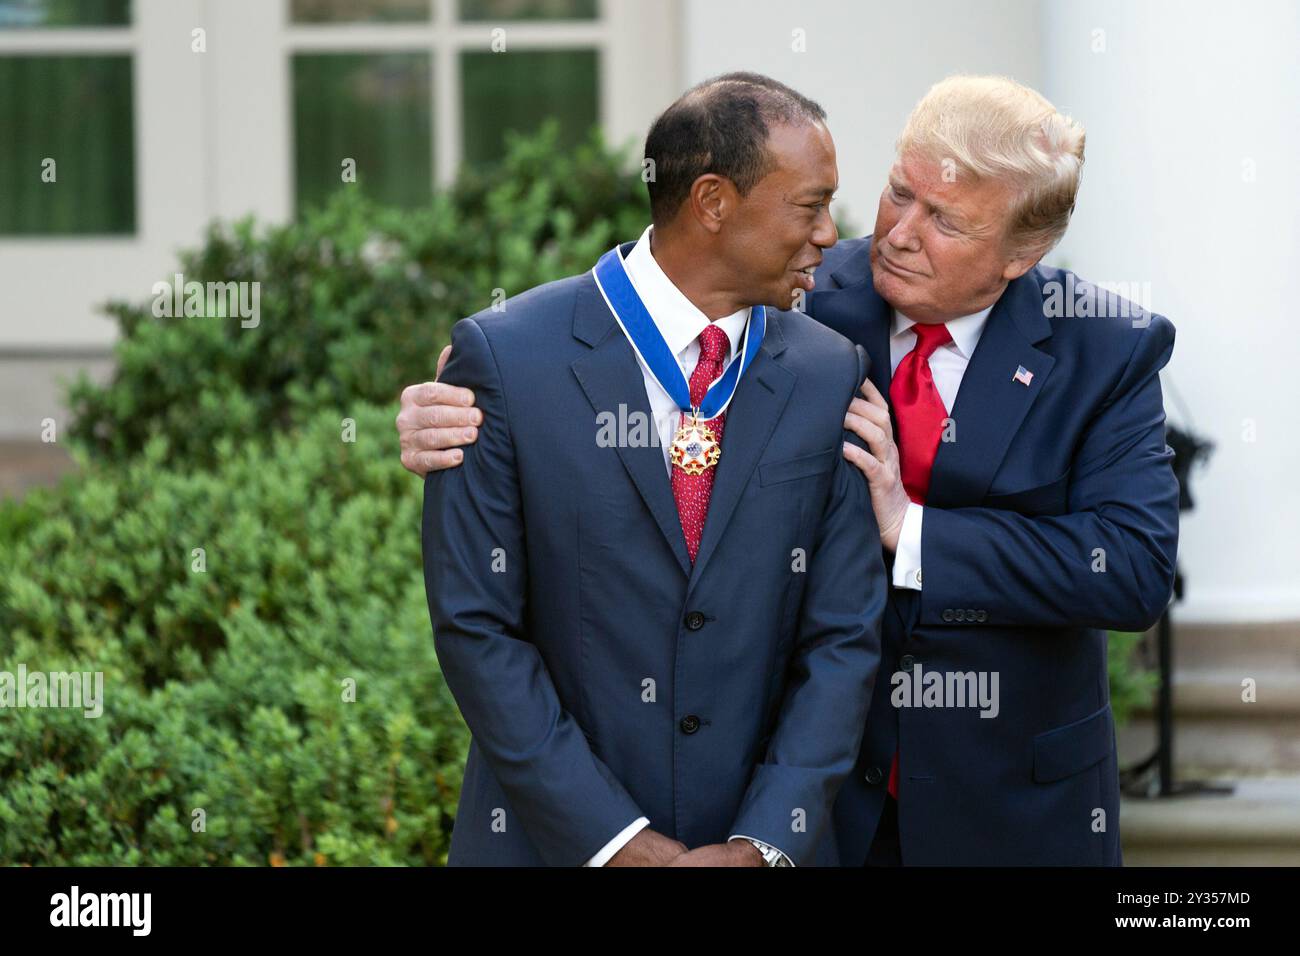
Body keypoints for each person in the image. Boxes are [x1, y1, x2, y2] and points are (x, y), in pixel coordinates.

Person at [401, 74, 1180, 866]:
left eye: (945, 220)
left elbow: (1134, 568)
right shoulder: (807, 289)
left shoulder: (1106, 348)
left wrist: (913, 533)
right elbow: (632, 307)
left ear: (1024, 251)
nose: (898, 234)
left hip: (1009, 807)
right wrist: (460, 397)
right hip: (821, 812)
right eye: (898, 192)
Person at [421, 72, 885, 867]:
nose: (829, 235)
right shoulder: (504, 360)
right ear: (712, 202)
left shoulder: (828, 371)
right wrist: (618, 843)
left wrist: (765, 841)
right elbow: (477, 628)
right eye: (809, 205)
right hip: (550, 846)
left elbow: (842, 639)